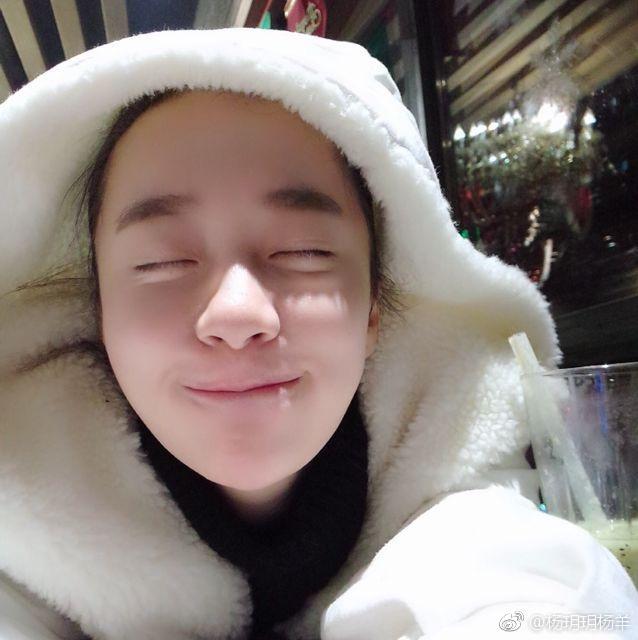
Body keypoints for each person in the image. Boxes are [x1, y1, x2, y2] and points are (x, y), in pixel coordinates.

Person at [0, 27, 635, 640]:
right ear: (100, 315)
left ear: (373, 311)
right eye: (161, 262)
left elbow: (524, 592)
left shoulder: (459, 486)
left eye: (303, 251)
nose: (237, 313)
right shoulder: (21, 514)